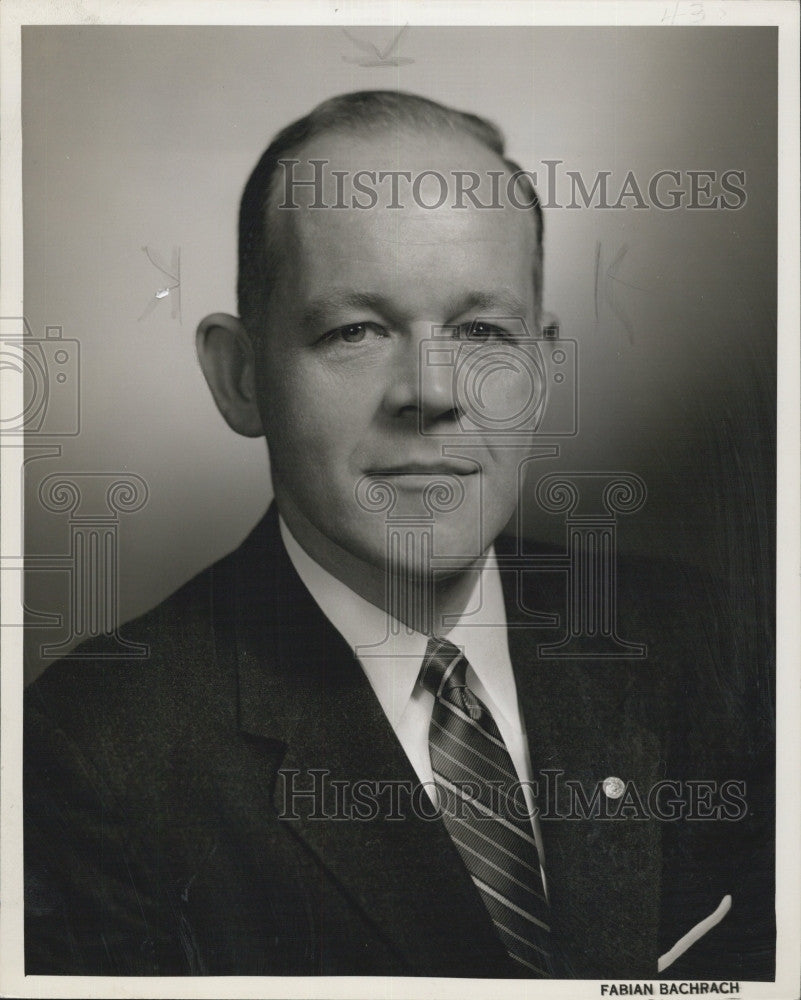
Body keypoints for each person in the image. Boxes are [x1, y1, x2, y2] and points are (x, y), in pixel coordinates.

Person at [23, 90, 774, 980]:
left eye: (483, 331)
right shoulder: (98, 752)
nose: (430, 391)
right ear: (240, 378)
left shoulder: (706, 642)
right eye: (355, 330)